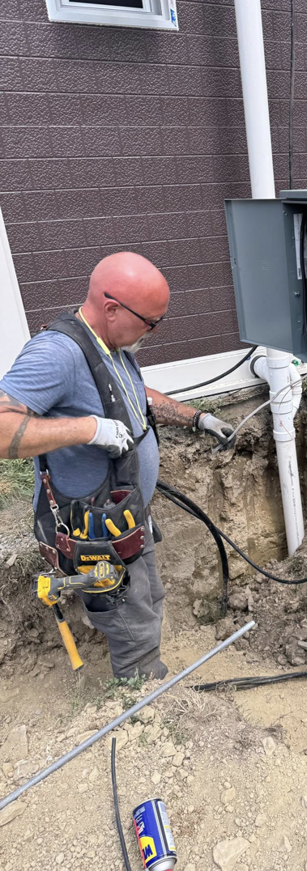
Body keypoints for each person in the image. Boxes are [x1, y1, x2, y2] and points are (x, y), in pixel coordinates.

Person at [0, 252, 234, 679]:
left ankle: (145, 673)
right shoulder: (58, 354)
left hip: (124, 516)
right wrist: (88, 429)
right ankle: (140, 702)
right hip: (92, 529)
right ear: (112, 308)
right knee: (130, 620)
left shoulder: (109, 345)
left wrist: (197, 418)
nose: (152, 331)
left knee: (149, 599)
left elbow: (132, 394)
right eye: (150, 322)